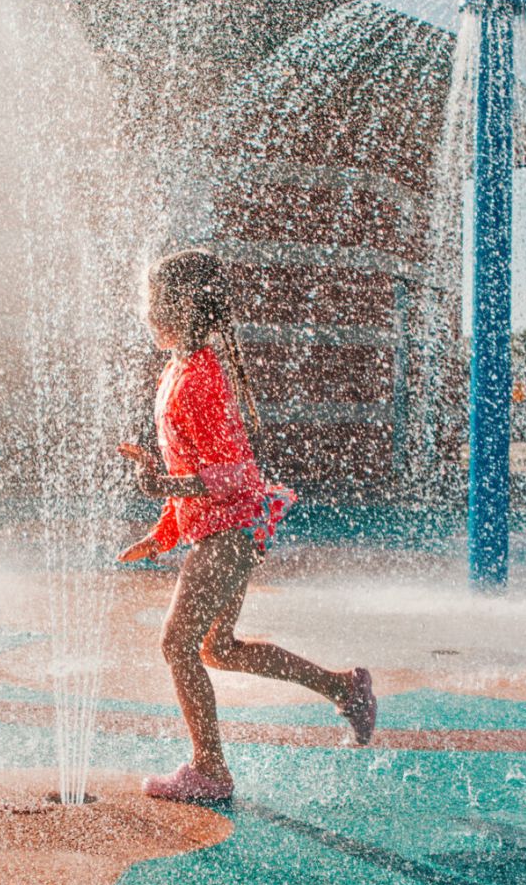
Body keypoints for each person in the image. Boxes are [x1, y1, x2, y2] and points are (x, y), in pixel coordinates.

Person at [117, 248, 376, 803]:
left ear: (181, 307)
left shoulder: (201, 377)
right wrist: (162, 531)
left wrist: (168, 488)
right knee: (218, 649)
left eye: (152, 302)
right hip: (228, 529)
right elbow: (195, 464)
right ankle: (344, 689)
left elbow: (236, 472)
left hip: (230, 531)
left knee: (177, 645)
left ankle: (210, 769)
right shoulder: (179, 370)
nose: (146, 314)